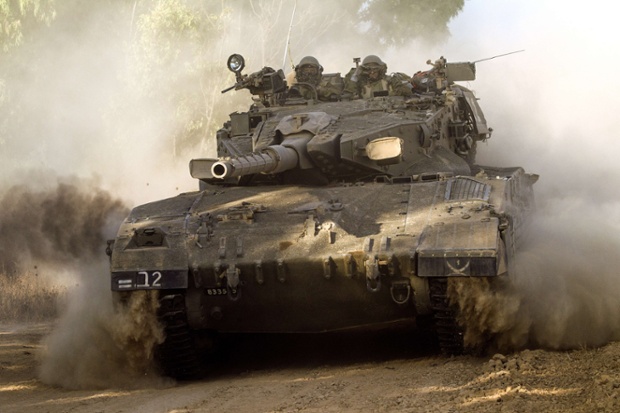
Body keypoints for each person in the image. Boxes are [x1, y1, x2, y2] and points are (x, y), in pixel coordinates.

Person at [343, 55, 413, 99]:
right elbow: (349, 93)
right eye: (369, 70)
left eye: (375, 70)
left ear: (380, 70)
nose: (372, 73)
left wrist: (390, 94)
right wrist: (355, 75)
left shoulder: (390, 80)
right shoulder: (361, 83)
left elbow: (407, 91)